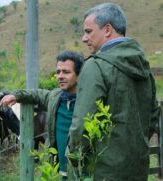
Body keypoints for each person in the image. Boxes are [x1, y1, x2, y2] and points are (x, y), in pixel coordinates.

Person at [68, 3, 161, 180]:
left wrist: (74, 157)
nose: (84, 38)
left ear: (108, 29)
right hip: (138, 168)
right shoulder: (143, 66)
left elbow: (81, 125)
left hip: (102, 170)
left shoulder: (96, 66)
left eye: (88, 31)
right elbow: (152, 116)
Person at [0, 50, 84, 178]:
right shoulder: (55, 98)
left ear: (79, 75)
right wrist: (15, 95)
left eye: (66, 72)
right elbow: (36, 94)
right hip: (57, 172)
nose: (60, 76)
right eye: (58, 72)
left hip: (82, 173)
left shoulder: (88, 101)